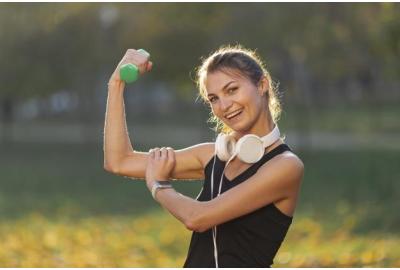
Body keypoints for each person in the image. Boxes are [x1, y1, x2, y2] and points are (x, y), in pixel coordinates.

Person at [103, 44, 304, 268]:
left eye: (232, 90)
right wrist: (116, 85)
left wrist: (159, 185)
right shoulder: (213, 155)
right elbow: (119, 161)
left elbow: (197, 218)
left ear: (262, 85)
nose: (224, 105)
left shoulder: (285, 166)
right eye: (213, 99)